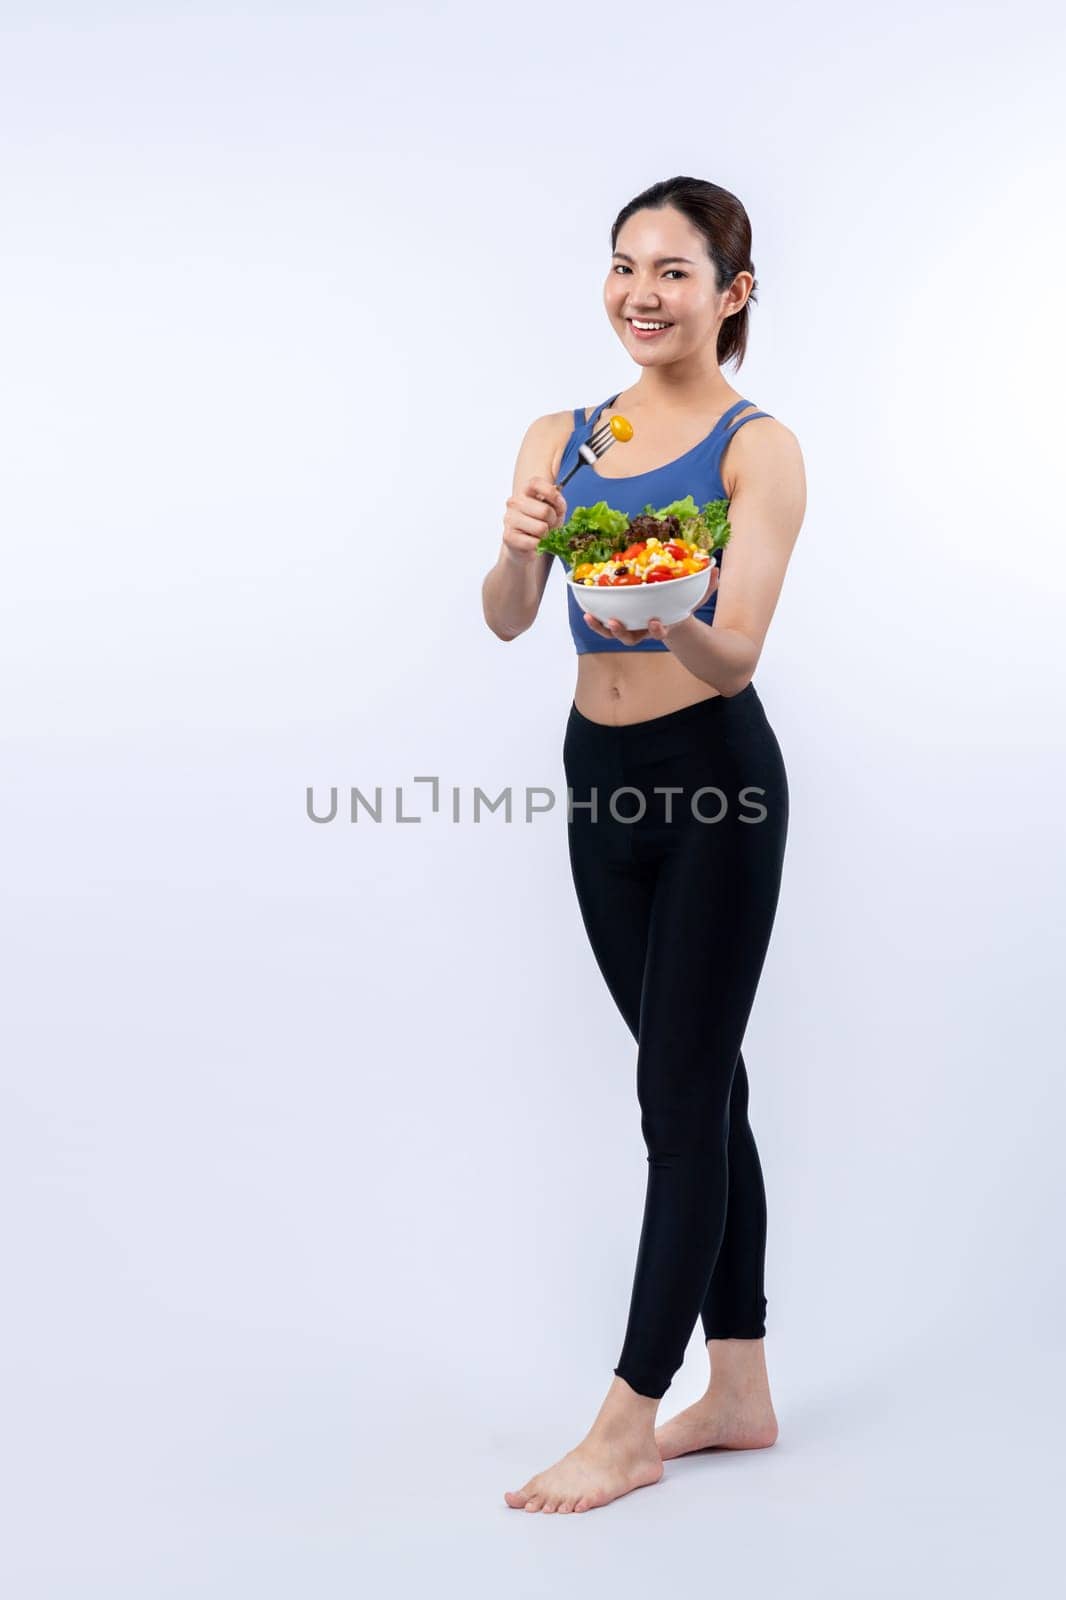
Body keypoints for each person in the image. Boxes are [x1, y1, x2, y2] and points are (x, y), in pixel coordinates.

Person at [481, 175, 807, 1515]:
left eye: (674, 272)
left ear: (730, 296)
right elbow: (509, 619)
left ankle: (626, 1416)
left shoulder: (756, 448)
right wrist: (517, 551)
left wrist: (673, 608)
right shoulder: (559, 434)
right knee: (700, 1085)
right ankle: (736, 1388)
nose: (640, 295)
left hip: (713, 781)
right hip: (596, 776)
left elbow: (731, 660)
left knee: (673, 1102)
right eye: (624, 266)